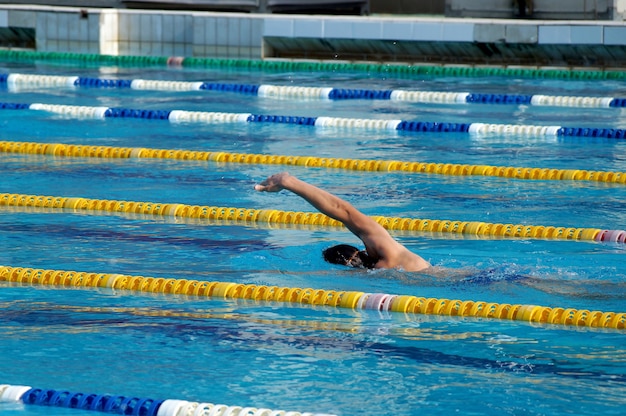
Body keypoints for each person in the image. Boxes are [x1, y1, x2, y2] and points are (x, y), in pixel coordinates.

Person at [254, 172, 431, 272]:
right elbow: (343, 211)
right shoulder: (389, 252)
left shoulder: (371, 274)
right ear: (360, 250)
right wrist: (288, 182)